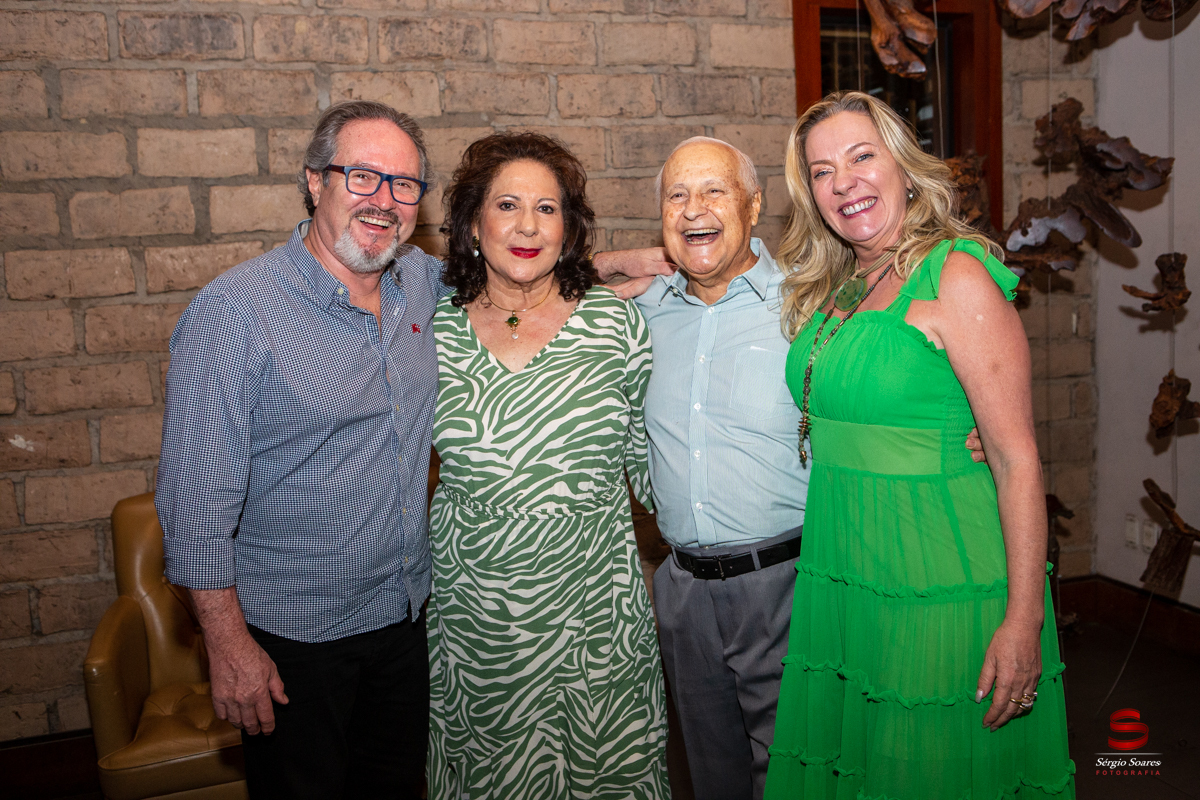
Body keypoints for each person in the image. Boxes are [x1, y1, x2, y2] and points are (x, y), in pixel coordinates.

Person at [156, 102, 671, 800]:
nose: (383, 199)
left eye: (402, 185)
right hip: (298, 639)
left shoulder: (419, 287)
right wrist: (226, 643)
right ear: (315, 181)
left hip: (407, 624)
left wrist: (620, 264)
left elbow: (521, 270)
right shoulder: (236, 311)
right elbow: (193, 503)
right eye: (361, 176)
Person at [764, 91, 1075, 799]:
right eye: (821, 171)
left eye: (861, 157)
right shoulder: (839, 285)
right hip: (848, 575)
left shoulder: (955, 274)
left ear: (904, 168)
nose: (843, 182)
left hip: (937, 578)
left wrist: (1023, 619)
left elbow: (1016, 459)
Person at [425, 132, 669, 799]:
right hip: (477, 628)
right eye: (507, 205)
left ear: (569, 228)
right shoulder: (430, 327)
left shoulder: (615, 325)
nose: (528, 226)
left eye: (547, 208)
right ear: (473, 224)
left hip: (595, 621)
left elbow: (655, 464)